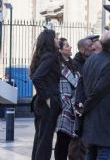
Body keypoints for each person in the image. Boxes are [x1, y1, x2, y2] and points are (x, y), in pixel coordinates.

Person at [78, 31, 110, 160]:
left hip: (92, 117)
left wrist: (81, 103)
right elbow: (100, 90)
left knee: (91, 152)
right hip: (105, 118)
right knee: (104, 153)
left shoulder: (91, 58)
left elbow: (81, 82)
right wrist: (85, 106)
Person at [30, 29, 62, 160]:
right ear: (50, 41)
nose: (58, 40)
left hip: (40, 103)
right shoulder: (51, 56)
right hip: (46, 104)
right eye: (56, 38)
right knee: (45, 141)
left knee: (40, 139)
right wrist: (48, 98)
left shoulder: (41, 56)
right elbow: (37, 78)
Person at [54, 38, 81, 160]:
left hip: (74, 105)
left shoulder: (73, 64)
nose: (70, 47)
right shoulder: (56, 65)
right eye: (66, 46)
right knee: (62, 140)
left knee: (71, 139)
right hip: (63, 105)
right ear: (59, 50)